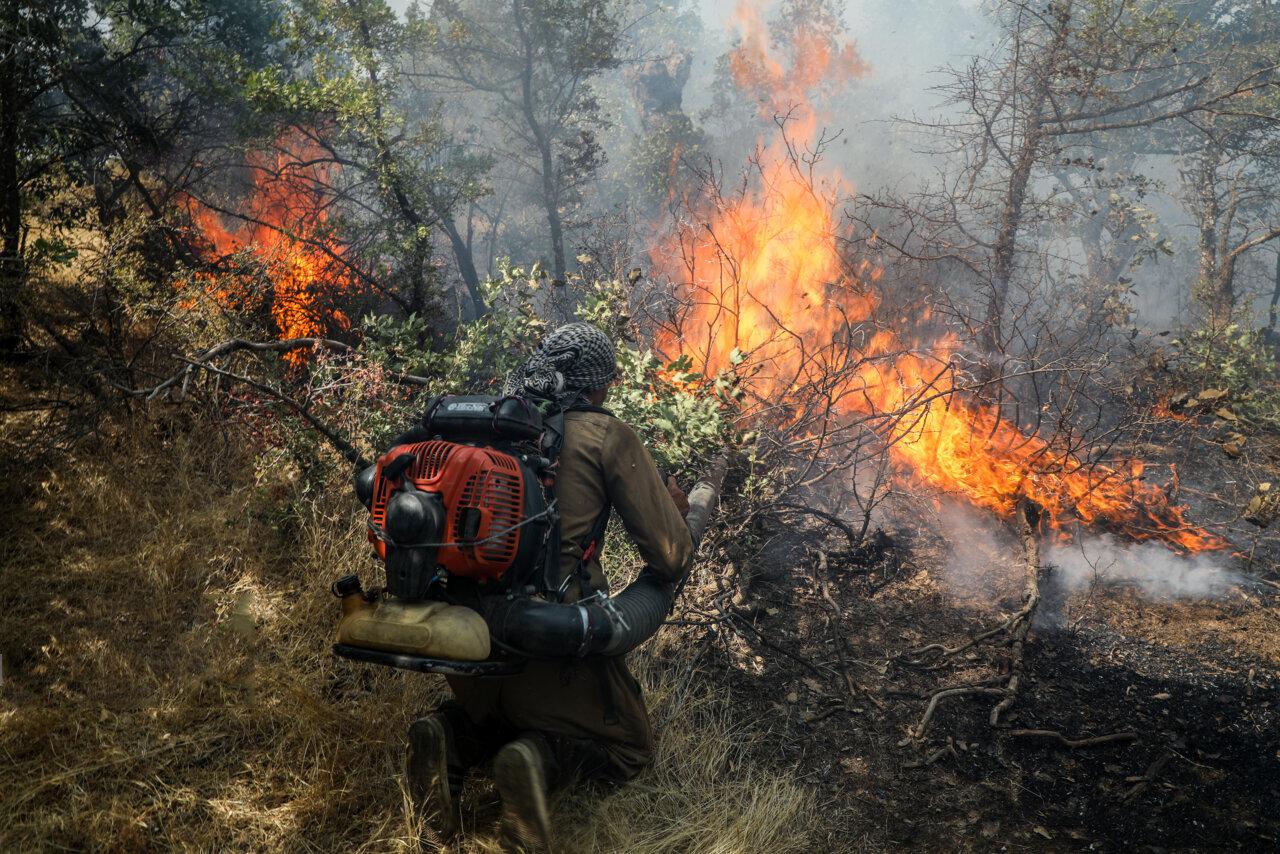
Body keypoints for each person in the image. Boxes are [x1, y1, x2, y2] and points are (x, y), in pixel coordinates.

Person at [405, 322, 693, 852]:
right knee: (631, 751)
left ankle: (449, 737)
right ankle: (538, 757)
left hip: (462, 642)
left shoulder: (489, 424)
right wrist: (678, 512)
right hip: (556, 644)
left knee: (491, 712)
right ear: (598, 383)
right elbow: (670, 555)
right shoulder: (605, 435)